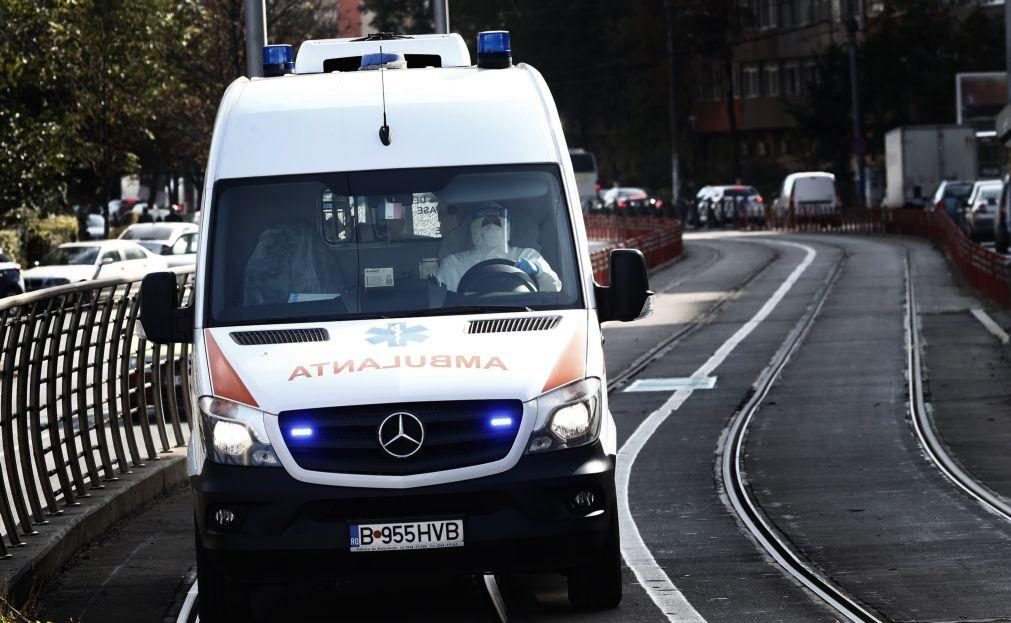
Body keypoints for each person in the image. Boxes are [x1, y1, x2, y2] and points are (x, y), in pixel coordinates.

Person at [436, 203, 561, 293]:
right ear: (474, 230)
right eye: (485, 223)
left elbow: (553, 290)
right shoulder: (454, 264)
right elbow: (442, 302)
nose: (491, 228)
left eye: (497, 223)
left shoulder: (527, 256)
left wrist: (539, 272)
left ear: (507, 229)